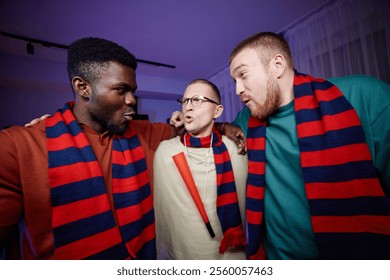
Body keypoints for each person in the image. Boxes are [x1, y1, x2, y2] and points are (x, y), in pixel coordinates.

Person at [0, 37, 178, 260]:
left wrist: (222, 127)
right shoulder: (16, 147)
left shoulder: (144, 132)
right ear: (82, 87)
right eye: (121, 90)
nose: (132, 100)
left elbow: (190, 129)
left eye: (132, 91)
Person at [229, 31, 390, 259]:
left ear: (277, 65)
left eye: (243, 75)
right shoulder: (247, 120)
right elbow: (217, 130)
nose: (238, 89)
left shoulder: (363, 95)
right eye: (234, 81)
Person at [153, 79, 248, 259]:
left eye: (197, 100)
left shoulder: (238, 148)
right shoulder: (164, 151)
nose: (188, 106)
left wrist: (224, 127)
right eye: (185, 101)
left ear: (217, 110)